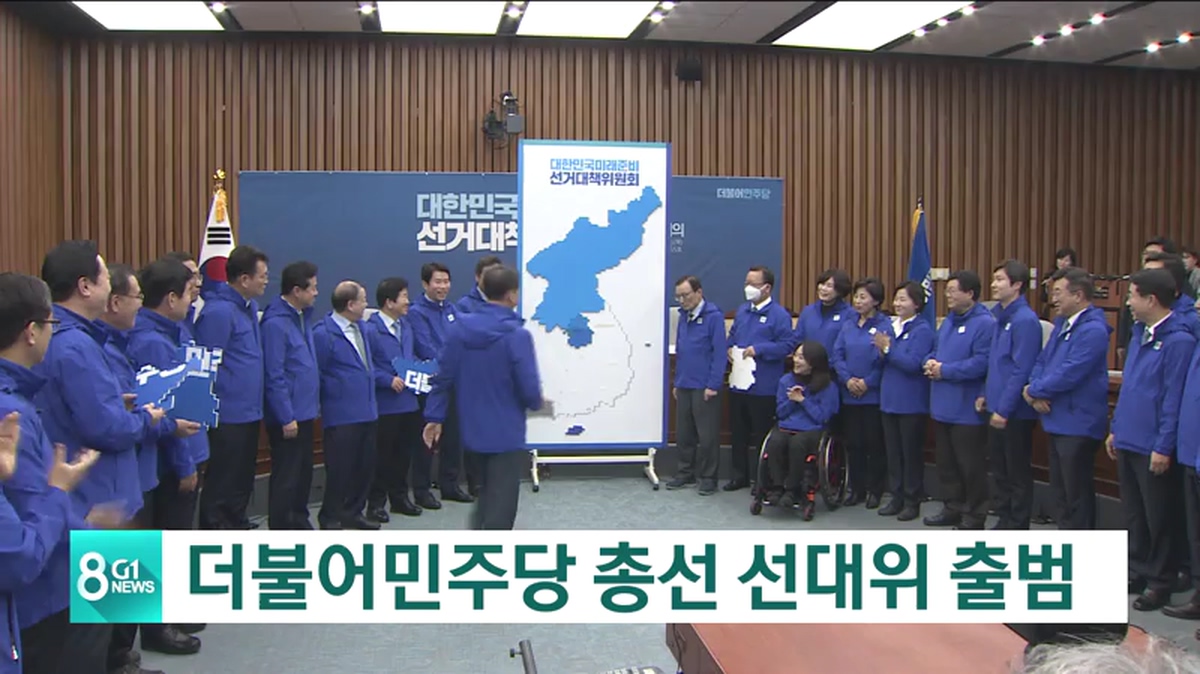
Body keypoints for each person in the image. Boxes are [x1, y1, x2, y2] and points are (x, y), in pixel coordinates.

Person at [0, 272, 106, 674]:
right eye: (50, 324)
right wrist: (62, 494)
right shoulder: (12, 415)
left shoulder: (20, 396)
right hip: (50, 592)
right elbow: (24, 545)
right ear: (31, 331)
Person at [100, 265, 202, 666]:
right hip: (138, 463)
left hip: (141, 461)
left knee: (145, 551)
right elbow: (149, 413)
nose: (138, 305)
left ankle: (134, 642)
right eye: (135, 297)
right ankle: (136, 642)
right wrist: (183, 458)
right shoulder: (143, 343)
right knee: (143, 554)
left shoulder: (128, 340)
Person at [423, 266, 542, 531]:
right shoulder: (517, 335)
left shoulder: (459, 330)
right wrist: (536, 403)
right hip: (506, 431)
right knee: (501, 506)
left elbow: (442, 377)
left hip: (472, 429)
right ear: (512, 295)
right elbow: (529, 387)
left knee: (486, 497)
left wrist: (434, 417)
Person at [1109, 268, 1195, 612]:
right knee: (1135, 514)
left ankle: (1160, 580)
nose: (1128, 303)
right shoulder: (1140, 335)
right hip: (1129, 437)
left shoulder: (1179, 340)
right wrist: (1116, 427)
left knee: (1159, 517)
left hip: (1153, 444)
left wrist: (1163, 445)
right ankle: (1137, 569)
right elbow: (1130, 387)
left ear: (1152, 299)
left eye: (1132, 296)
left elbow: (1173, 398)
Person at [1024, 267, 1111, 531]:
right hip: (1056, 417)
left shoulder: (1093, 330)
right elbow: (1042, 361)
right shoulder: (1062, 324)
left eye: (1058, 292)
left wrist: (1035, 390)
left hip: (1079, 422)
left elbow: (1071, 372)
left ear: (1078, 295)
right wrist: (1034, 389)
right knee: (1060, 491)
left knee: (1076, 493)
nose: (1053, 299)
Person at [193, 245, 268, 530]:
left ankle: (236, 520)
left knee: (242, 475)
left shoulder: (249, 308)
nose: (266, 281)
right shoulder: (219, 312)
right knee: (223, 476)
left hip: (250, 409)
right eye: (262, 275)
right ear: (244, 279)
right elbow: (207, 365)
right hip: (226, 412)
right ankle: (216, 529)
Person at [923, 270, 994, 530]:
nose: (947, 295)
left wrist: (946, 370)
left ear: (970, 294)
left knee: (970, 465)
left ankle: (974, 515)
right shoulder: (948, 321)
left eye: (953, 290)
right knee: (947, 464)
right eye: (947, 290)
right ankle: (952, 507)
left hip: (967, 408)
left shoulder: (985, 324)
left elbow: (982, 362)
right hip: (942, 405)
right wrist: (929, 362)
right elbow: (934, 350)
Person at [312, 281, 379, 531]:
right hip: (341, 414)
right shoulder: (323, 333)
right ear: (350, 304)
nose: (366, 304)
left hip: (367, 410)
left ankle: (354, 512)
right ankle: (330, 516)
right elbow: (317, 373)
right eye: (363, 300)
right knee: (340, 469)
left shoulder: (362, 328)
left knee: (365, 467)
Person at [260, 261, 320, 531]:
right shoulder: (276, 324)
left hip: (306, 411)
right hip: (289, 416)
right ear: (297, 290)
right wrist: (285, 416)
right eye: (312, 288)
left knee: (303, 473)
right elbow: (274, 374)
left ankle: (299, 520)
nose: (316, 293)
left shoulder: (302, 317)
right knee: (287, 476)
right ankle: (282, 528)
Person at [982, 260, 1041, 530]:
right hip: (996, 405)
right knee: (1000, 469)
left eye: (1000, 280)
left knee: (1016, 471)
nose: (993, 285)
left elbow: (1021, 369)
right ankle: (1004, 516)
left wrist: (1004, 409)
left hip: (1013, 411)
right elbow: (995, 363)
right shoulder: (1000, 317)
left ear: (1017, 285)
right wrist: (986, 394)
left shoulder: (1025, 320)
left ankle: (1017, 524)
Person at [408, 262, 474, 504]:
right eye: (438, 282)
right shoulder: (416, 312)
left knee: (453, 437)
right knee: (428, 438)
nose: (443, 286)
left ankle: (450, 485)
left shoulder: (451, 309)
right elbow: (425, 347)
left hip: (455, 383)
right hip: (431, 385)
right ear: (425, 283)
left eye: (446, 282)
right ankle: (422, 489)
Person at [724, 266, 793, 492]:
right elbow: (732, 336)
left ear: (767, 288)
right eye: (746, 283)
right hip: (739, 384)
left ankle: (762, 479)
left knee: (762, 435)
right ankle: (739, 476)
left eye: (753, 284)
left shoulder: (779, 315)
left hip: (764, 386)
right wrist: (729, 349)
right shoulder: (743, 311)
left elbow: (787, 345)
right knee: (739, 433)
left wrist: (760, 349)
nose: (748, 288)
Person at [365, 277, 425, 520]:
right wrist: (386, 380)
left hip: (408, 402)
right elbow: (365, 365)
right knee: (382, 456)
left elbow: (410, 358)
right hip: (385, 404)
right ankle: (376, 503)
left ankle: (400, 498)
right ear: (389, 302)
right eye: (403, 297)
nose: (408, 301)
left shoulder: (406, 327)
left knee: (403, 454)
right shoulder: (370, 329)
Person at [876, 281, 935, 520]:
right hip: (889, 399)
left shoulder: (923, 330)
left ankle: (912, 500)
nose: (897, 304)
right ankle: (896, 496)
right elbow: (881, 360)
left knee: (910, 454)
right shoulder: (890, 327)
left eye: (903, 299)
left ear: (917, 303)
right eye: (896, 299)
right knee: (893, 453)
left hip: (911, 402)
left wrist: (888, 350)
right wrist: (881, 351)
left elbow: (913, 364)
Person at [831, 277, 890, 508]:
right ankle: (856, 489)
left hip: (872, 396)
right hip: (849, 395)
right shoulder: (848, 324)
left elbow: (885, 361)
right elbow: (837, 356)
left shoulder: (884, 325)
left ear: (876, 301)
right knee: (854, 444)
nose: (857, 301)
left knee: (874, 444)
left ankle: (875, 490)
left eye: (863, 297)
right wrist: (848, 380)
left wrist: (867, 382)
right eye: (856, 296)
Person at [666, 275, 726, 495]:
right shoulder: (684, 316)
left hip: (704, 386)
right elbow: (682, 351)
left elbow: (720, 354)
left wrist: (713, 384)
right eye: (678, 297)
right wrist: (677, 381)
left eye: (686, 295)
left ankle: (709, 477)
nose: (682, 300)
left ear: (699, 292)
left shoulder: (714, 317)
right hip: (684, 383)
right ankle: (685, 473)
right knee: (684, 434)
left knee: (707, 436)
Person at [766, 340, 839, 521]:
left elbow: (822, 417)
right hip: (787, 426)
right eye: (796, 356)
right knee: (775, 441)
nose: (796, 361)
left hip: (812, 429)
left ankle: (792, 489)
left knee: (797, 443)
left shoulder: (828, 386)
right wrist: (792, 400)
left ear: (813, 362)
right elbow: (780, 413)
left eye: (801, 358)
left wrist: (803, 400)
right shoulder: (786, 381)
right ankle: (777, 487)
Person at [790, 269, 855, 357]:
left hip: (834, 364)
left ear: (840, 290)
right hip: (808, 363)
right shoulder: (808, 311)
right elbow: (797, 339)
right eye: (822, 284)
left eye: (829, 286)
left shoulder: (850, 314)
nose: (823, 288)